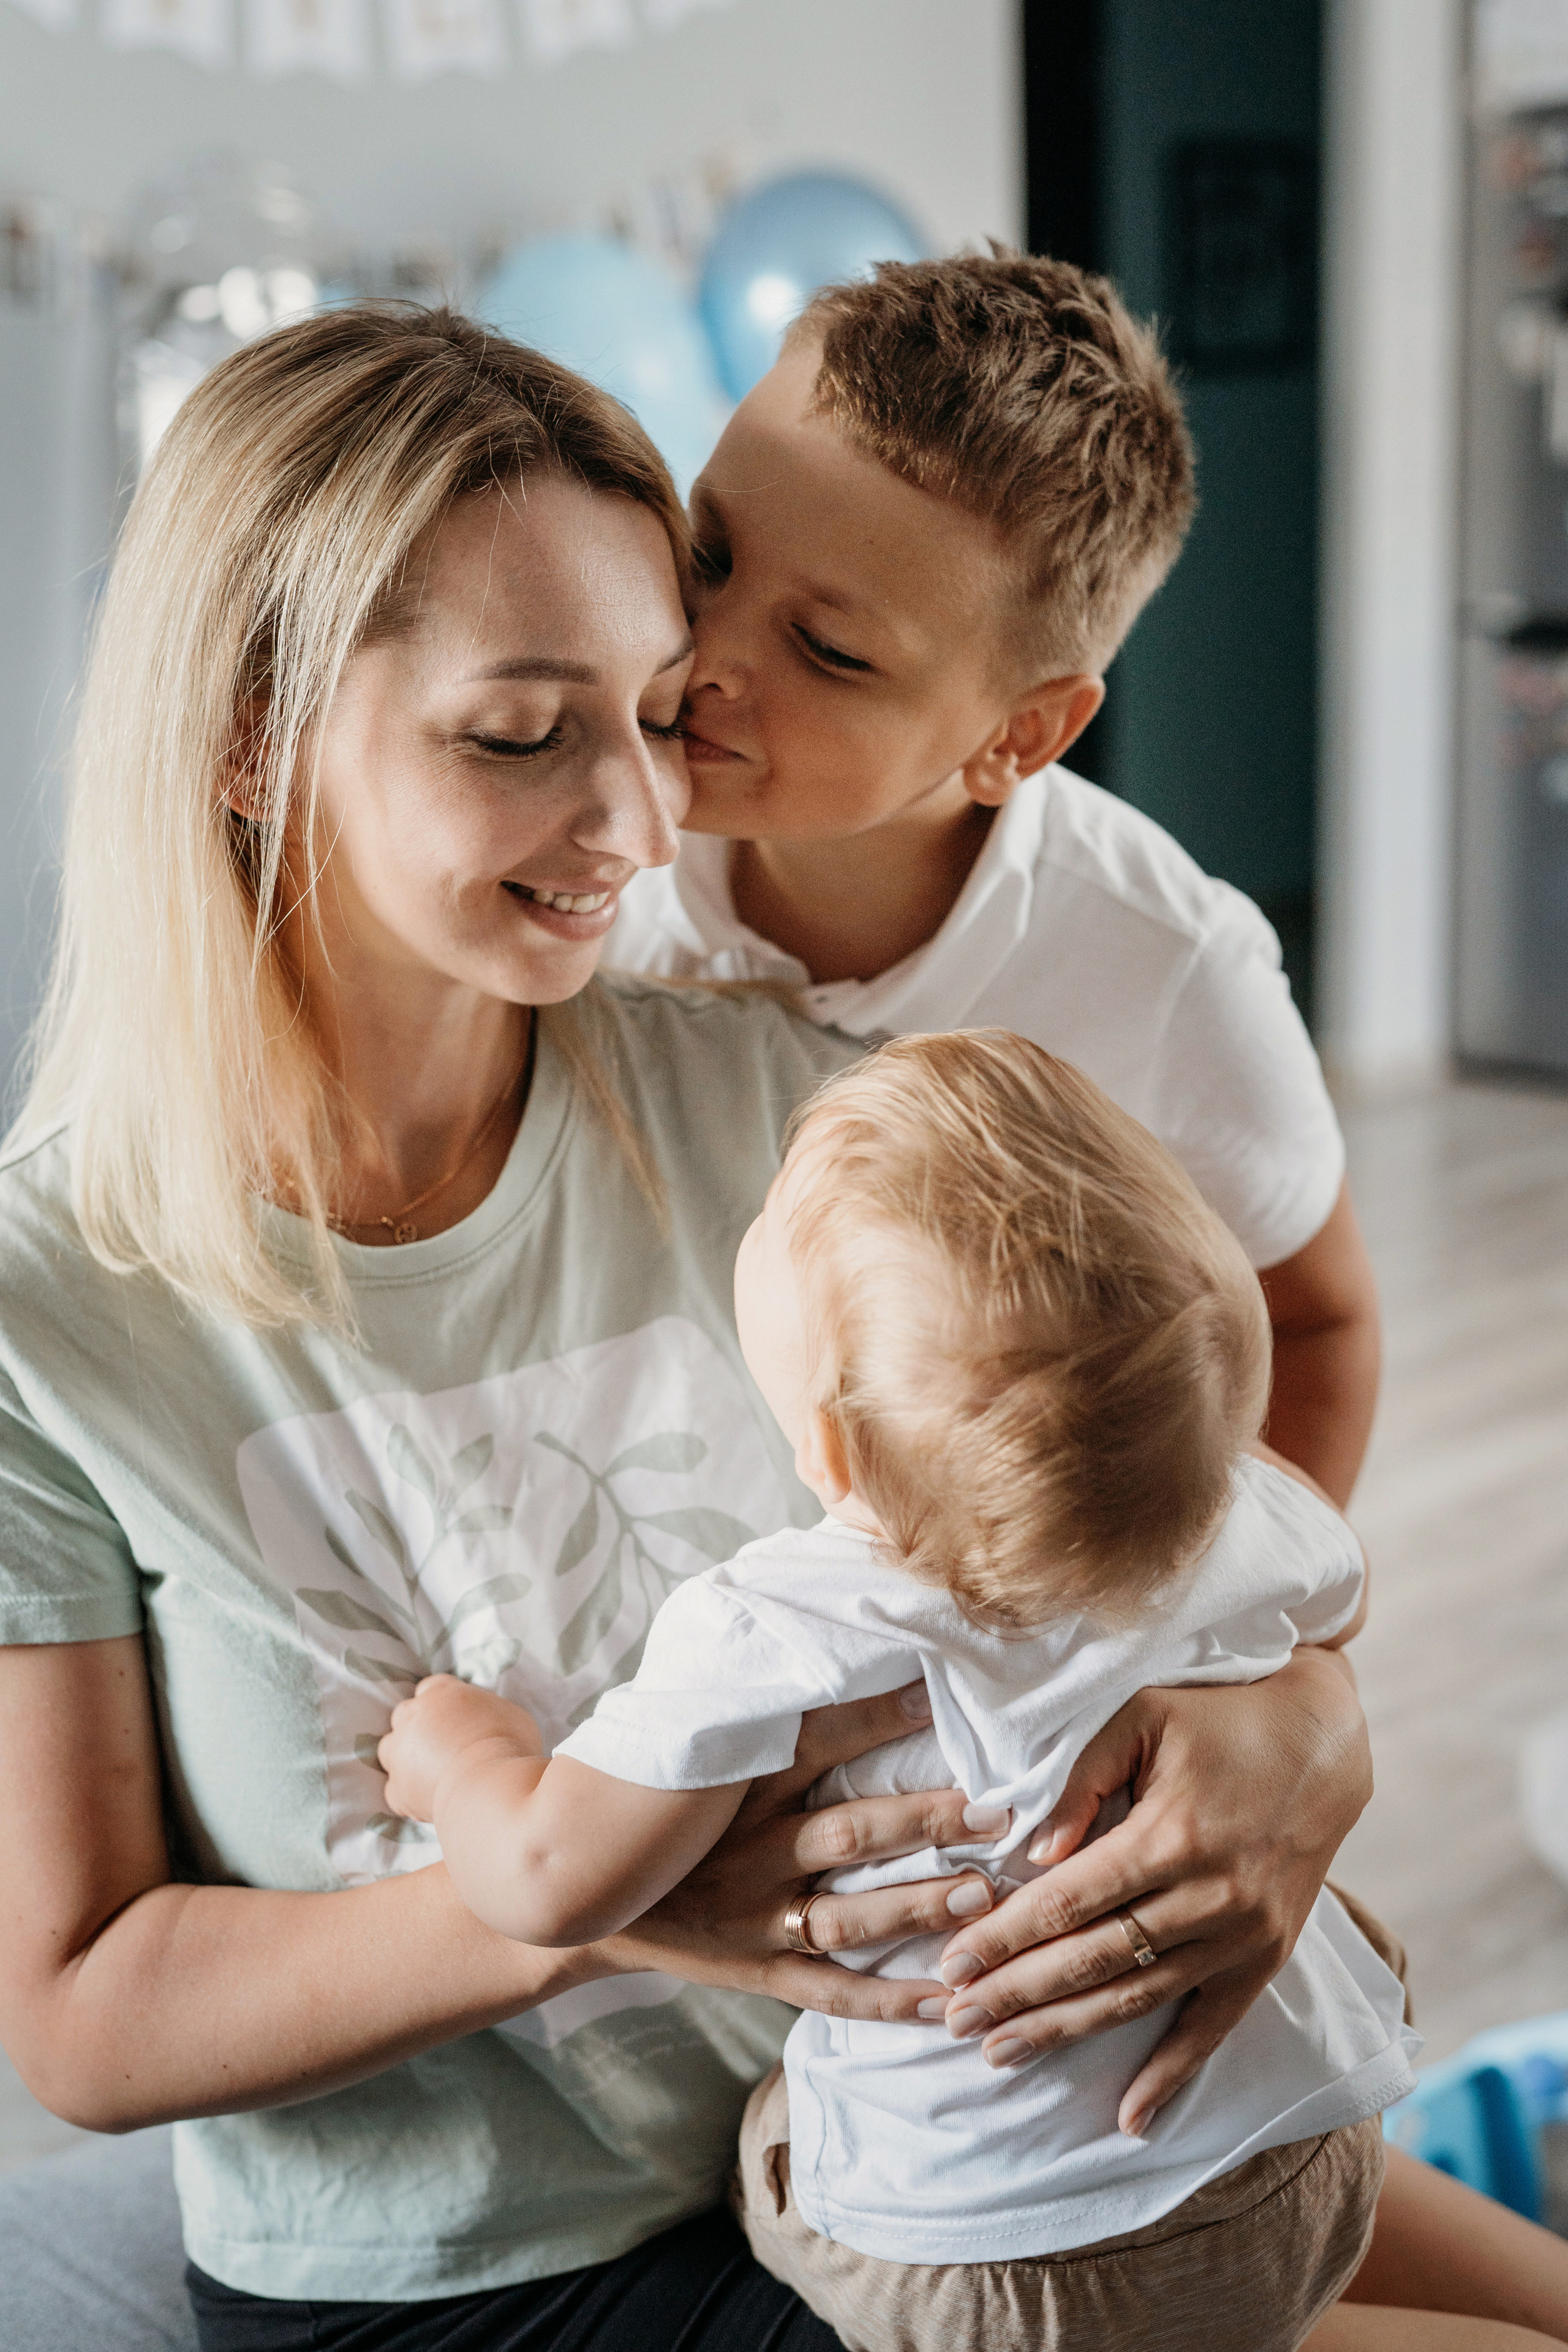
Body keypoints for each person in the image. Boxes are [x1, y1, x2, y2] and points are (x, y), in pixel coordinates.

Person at [0, 298, 1550, 2352]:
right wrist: (582, 1903)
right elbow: (86, 2019)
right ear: (248, 733)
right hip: (494, 2271)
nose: (652, 828)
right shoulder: (54, 1304)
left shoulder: (802, 1114)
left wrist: (1298, 1717)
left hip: (896, 2120)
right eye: (518, 731)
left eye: (656, 711)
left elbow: (1101, 1496)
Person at [379, 1030, 1417, 2352]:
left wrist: (464, 1764)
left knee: (779, 2142)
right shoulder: (1245, 1502)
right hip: (1298, 2162)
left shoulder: (776, 1622)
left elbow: (542, 1881)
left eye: (771, 1213)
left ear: (822, 1444)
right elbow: (1344, 1594)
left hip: (1000, 2270)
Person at [606, 249, 1379, 1514]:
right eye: (710, 550)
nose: (708, 657)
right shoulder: (591, 846)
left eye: (827, 649)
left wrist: (1249, 1634)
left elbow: (1317, 1325)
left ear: (1016, 738)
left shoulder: (1164, 967)